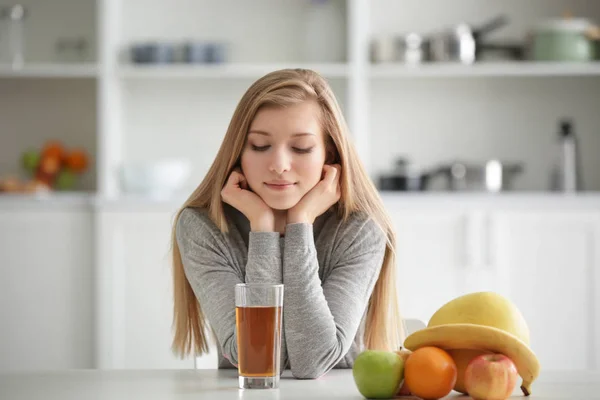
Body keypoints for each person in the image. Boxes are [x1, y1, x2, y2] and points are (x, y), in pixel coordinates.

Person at [170, 68, 404, 379]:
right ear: (239, 151)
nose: (279, 165)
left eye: (301, 148)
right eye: (260, 146)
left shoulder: (361, 227)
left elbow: (313, 360)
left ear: (328, 153)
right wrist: (263, 230)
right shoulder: (202, 227)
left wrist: (300, 224)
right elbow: (259, 359)